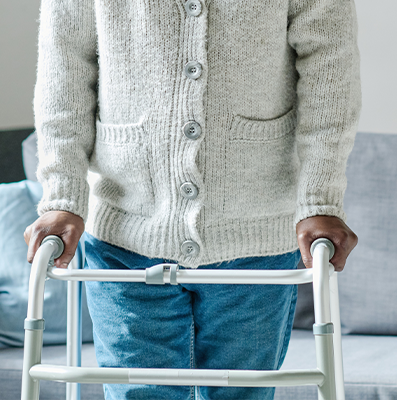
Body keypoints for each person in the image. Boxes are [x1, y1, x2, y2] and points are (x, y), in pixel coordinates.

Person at [23, 0, 360, 399]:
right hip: (125, 231)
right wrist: (63, 195)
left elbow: (330, 71)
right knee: (141, 394)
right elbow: (65, 69)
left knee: (243, 394)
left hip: (256, 230)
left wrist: (320, 200)